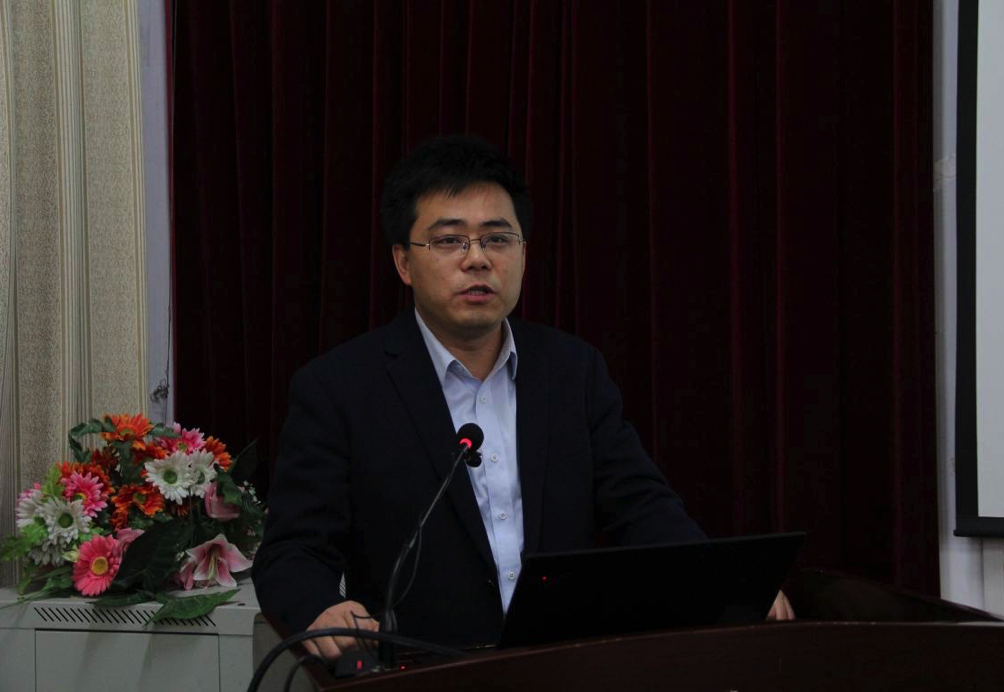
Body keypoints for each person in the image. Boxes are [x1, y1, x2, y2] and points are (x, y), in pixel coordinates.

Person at [252, 135, 792, 662]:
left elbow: (641, 507)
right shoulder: (341, 388)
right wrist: (317, 605)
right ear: (403, 262)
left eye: (497, 239)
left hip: (561, 668)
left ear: (524, 254)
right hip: (423, 673)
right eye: (449, 241)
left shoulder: (572, 372)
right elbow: (292, 549)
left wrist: (728, 584)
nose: (477, 259)